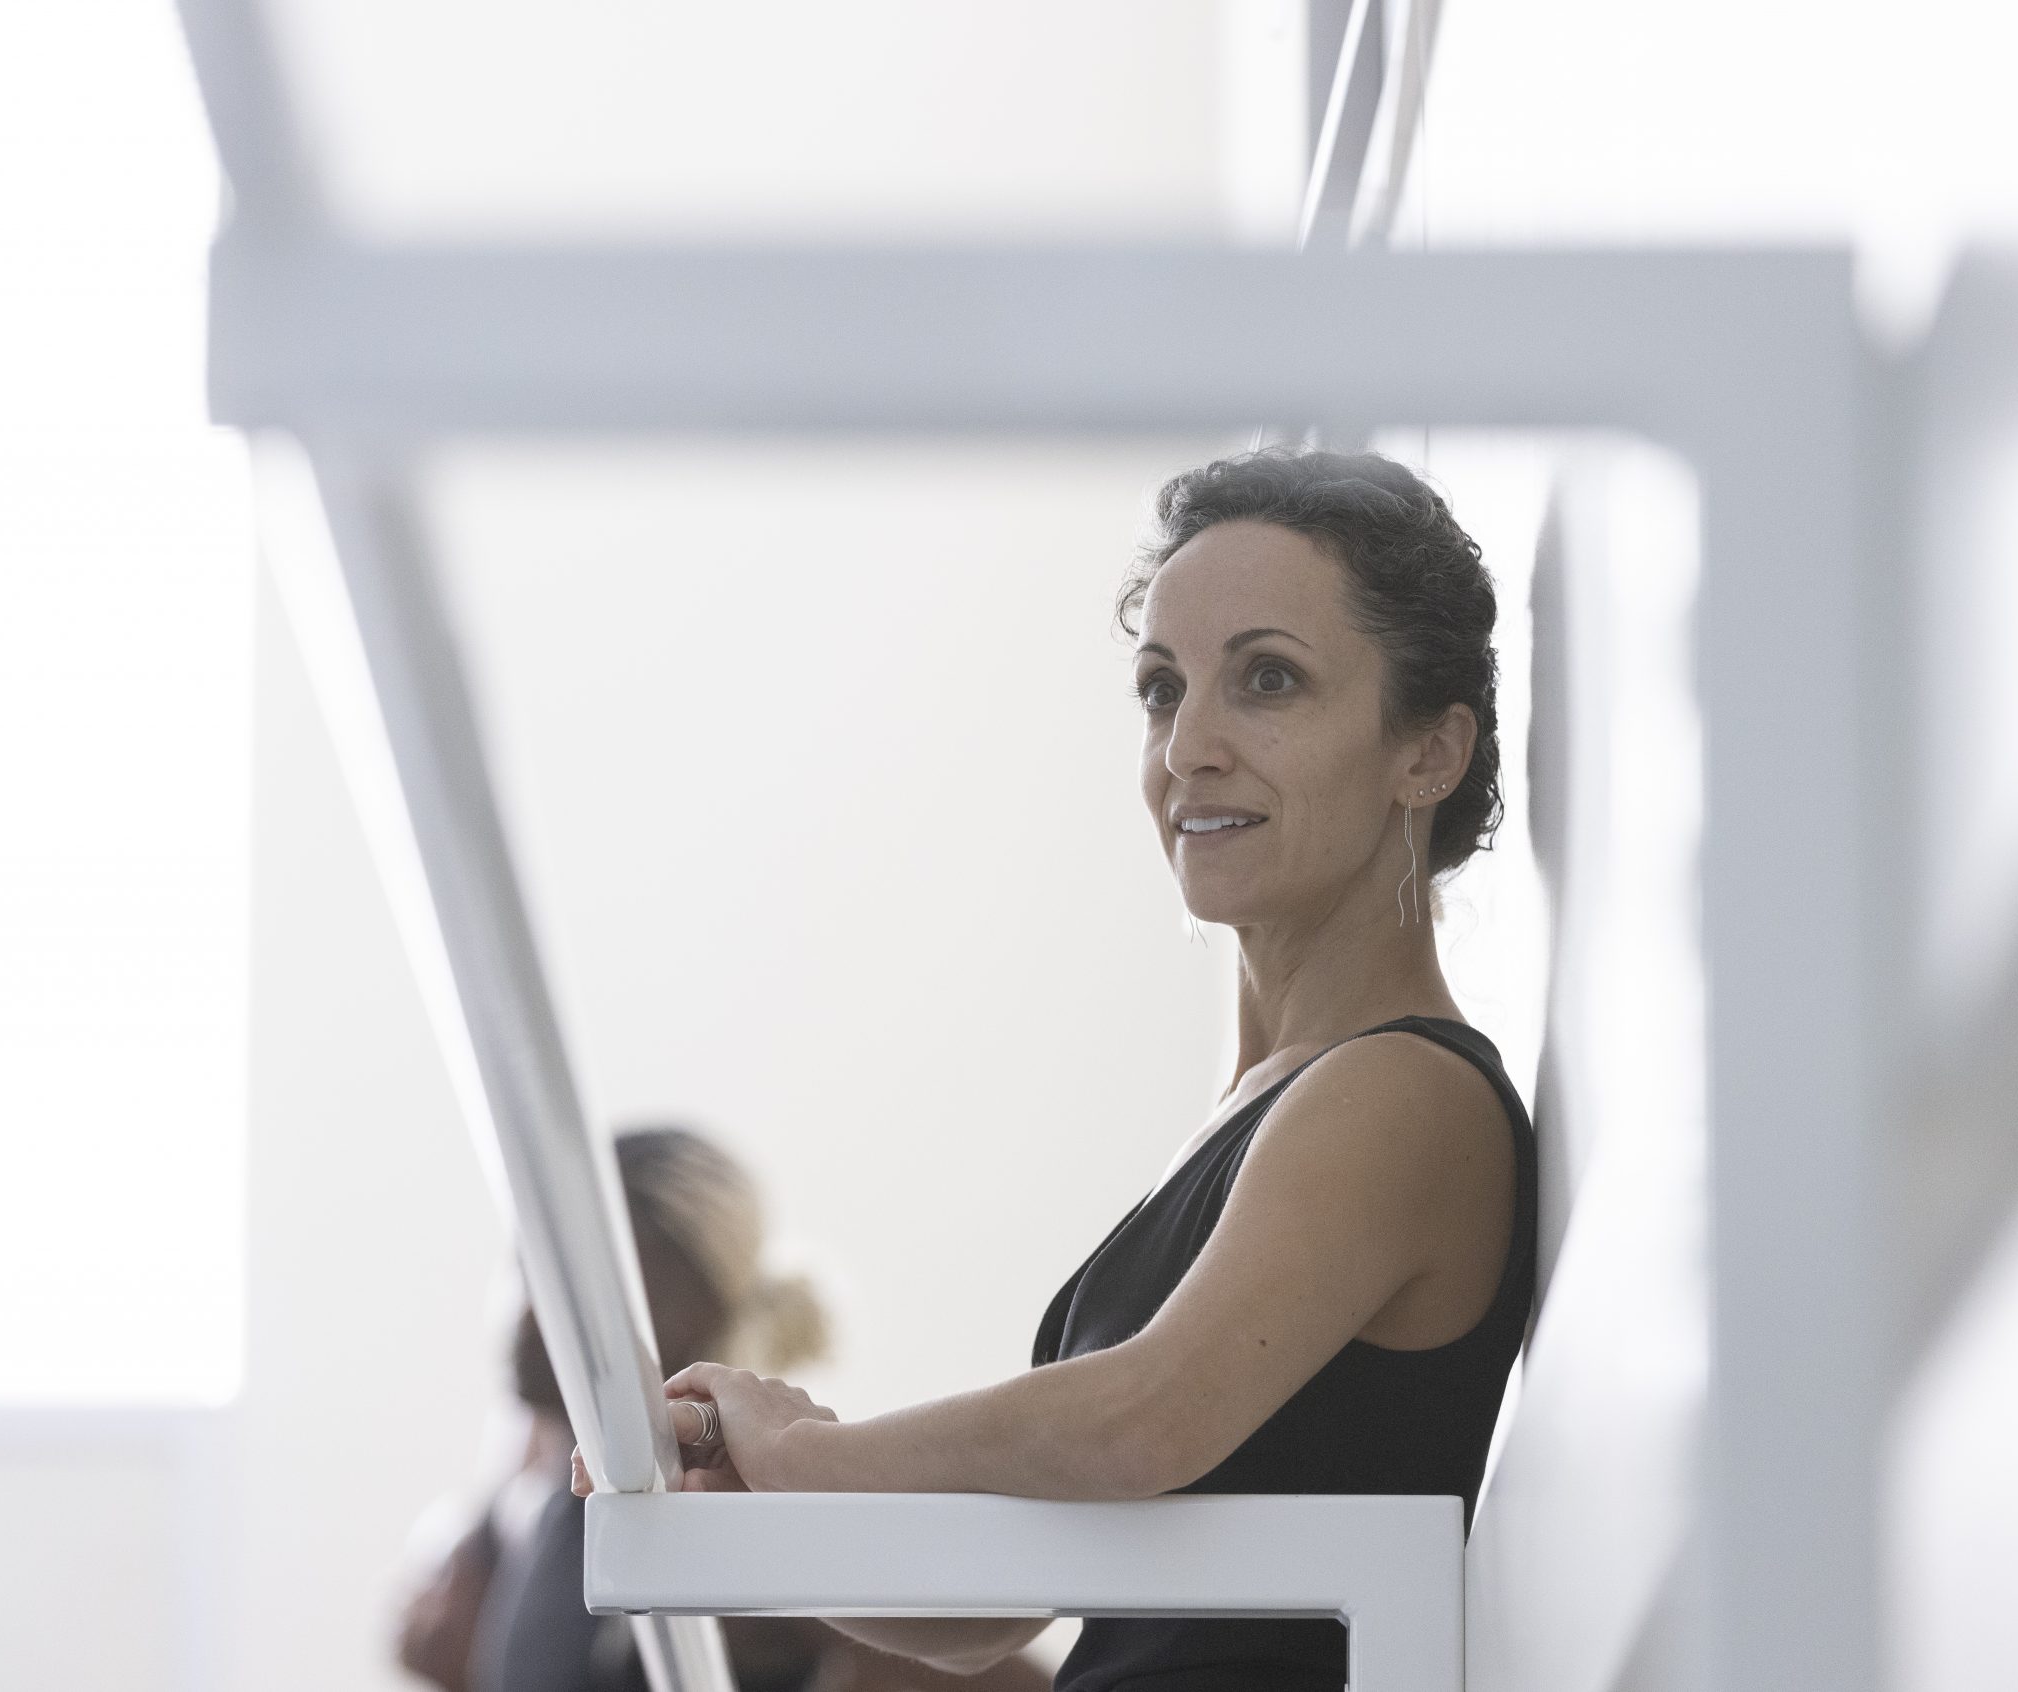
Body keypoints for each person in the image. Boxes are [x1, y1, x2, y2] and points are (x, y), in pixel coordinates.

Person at [574, 448, 1537, 1692]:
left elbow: (1140, 1422)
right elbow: (996, 1612)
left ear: (1427, 753)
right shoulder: (1260, 1106)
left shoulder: (1403, 1094)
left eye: (1267, 681)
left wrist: (815, 1451)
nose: (1189, 745)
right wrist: (755, 1513)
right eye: (1160, 688)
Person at [396, 1125, 1052, 1692]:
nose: (535, 1304)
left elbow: (1004, 1670)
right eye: (530, 1255)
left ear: (695, 1327)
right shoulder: (522, 1476)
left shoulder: (711, 1509)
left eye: (593, 1286)